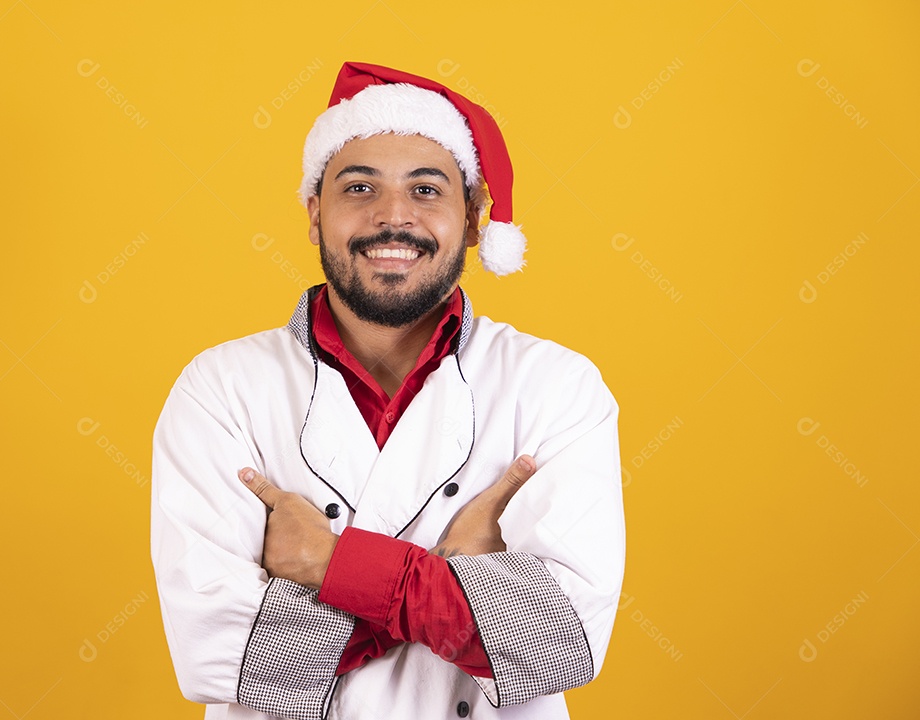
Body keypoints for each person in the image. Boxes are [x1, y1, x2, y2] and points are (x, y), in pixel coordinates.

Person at [150, 61, 625, 720]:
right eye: (359, 187)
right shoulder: (221, 387)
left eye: (426, 190)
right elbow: (218, 651)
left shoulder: (556, 385)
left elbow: (558, 642)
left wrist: (331, 565)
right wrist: (457, 588)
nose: (393, 218)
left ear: (475, 217)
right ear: (315, 215)